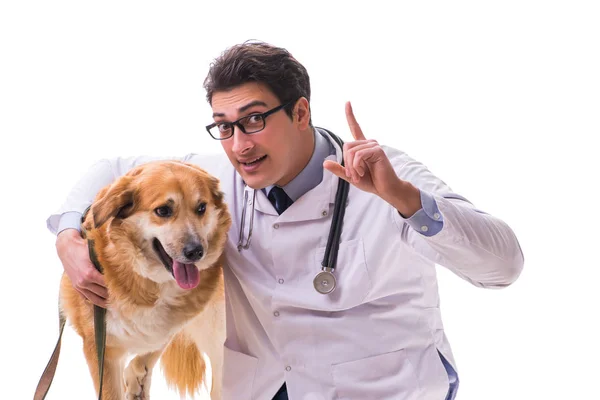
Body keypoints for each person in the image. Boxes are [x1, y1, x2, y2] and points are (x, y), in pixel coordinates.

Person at [47, 41, 524, 400]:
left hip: (383, 388)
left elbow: (503, 266)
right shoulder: (211, 180)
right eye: (225, 126)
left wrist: (404, 199)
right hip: (264, 388)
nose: (239, 145)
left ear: (301, 112)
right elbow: (110, 169)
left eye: (255, 120)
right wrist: (69, 235)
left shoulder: (387, 175)